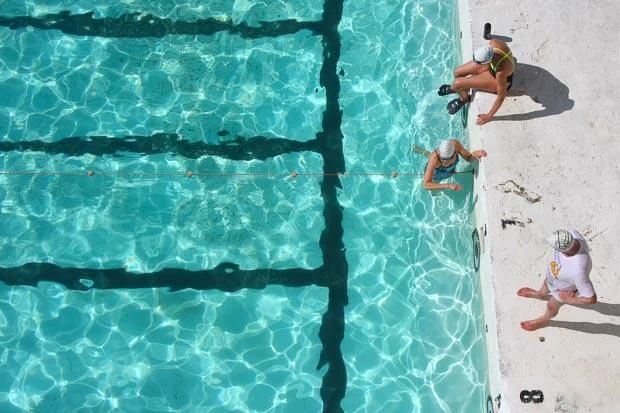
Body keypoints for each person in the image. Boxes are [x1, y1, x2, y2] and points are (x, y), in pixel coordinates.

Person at [518, 229, 597, 331]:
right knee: (545, 285)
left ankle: (544, 320)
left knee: (551, 305)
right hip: (552, 278)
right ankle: (540, 294)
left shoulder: (578, 271)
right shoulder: (573, 234)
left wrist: (570, 299)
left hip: (563, 290)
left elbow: (591, 299)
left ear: (563, 250)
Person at [437, 39, 515, 125]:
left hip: (497, 80)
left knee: (456, 84)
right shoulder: (494, 42)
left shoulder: (501, 72)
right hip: (492, 65)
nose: (476, 63)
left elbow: (501, 96)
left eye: (478, 62)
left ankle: (464, 99)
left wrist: (489, 116)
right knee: (457, 72)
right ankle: (461, 89)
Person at [422, 138, 487, 191]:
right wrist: (448, 185)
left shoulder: (455, 145)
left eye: (447, 158)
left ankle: (422, 151)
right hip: (437, 173)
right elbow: (426, 184)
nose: (444, 161)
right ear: (439, 153)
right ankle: (421, 151)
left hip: (449, 170)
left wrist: (475, 154)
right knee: (435, 192)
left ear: (454, 152)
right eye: (442, 158)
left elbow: (468, 158)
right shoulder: (434, 159)